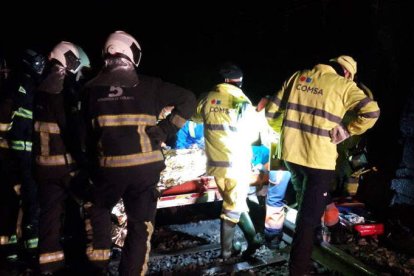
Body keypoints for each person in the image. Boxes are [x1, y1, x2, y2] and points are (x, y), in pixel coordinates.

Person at [81, 30, 196, 275]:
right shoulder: (151, 85)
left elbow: (85, 137)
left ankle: (96, 266)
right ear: (133, 54)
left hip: (108, 170)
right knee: (140, 226)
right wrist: (166, 128)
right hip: (145, 172)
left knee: (99, 210)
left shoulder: (90, 89)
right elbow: (189, 99)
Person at [261, 55, 380, 275]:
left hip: (291, 155)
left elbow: (271, 112)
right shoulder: (343, 86)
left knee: (305, 201)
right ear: (346, 73)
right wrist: (348, 130)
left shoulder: (298, 76)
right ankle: (298, 269)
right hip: (318, 161)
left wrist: (287, 134)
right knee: (307, 220)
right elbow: (372, 112)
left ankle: (314, 244)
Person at [193, 62, 262, 260]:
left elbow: (196, 117)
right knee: (232, 208)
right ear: (238, 82)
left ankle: (252, 239)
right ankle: (227, 251)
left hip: (216, 165)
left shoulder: (207, 98)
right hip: (237, 164)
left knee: (234, 202)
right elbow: (253, 134)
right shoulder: (242, 101)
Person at [32, 41, 90, 274]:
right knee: (91, 205)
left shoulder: (40, 87)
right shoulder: (62, 90)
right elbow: (72, 131)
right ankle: (93, 261)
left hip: (42, 166)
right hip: (65, 165)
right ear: (69, 61)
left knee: (50, 216)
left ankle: (49, 265)